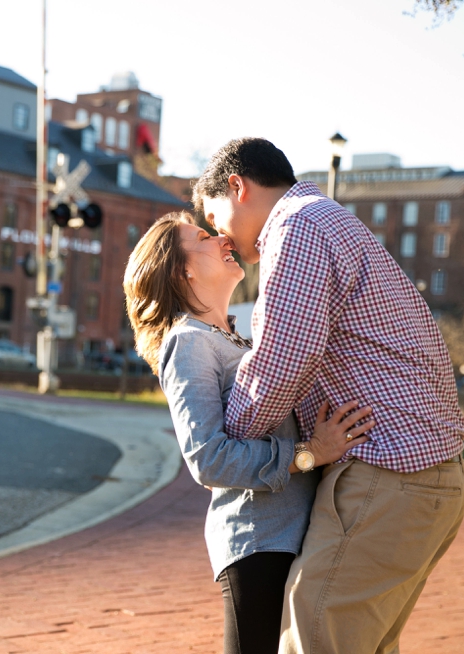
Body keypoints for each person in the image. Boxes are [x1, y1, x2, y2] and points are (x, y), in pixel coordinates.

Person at [193, 137, 464, 654]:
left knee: (312, 642)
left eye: (214, 218)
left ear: (237, 187)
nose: (220, 236)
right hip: (426, 478)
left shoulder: (296, 228)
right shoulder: (331, 220)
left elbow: (281, 363)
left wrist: (228, 446)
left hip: (387, 477)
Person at [123, 211, 374, 654]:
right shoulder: (189, 342)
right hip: (259, 543)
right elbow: (208, 458)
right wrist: (308, 454)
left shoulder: (236, 338)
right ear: (182, 268)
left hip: (295, 536)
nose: (222, 237)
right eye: (203, 237)